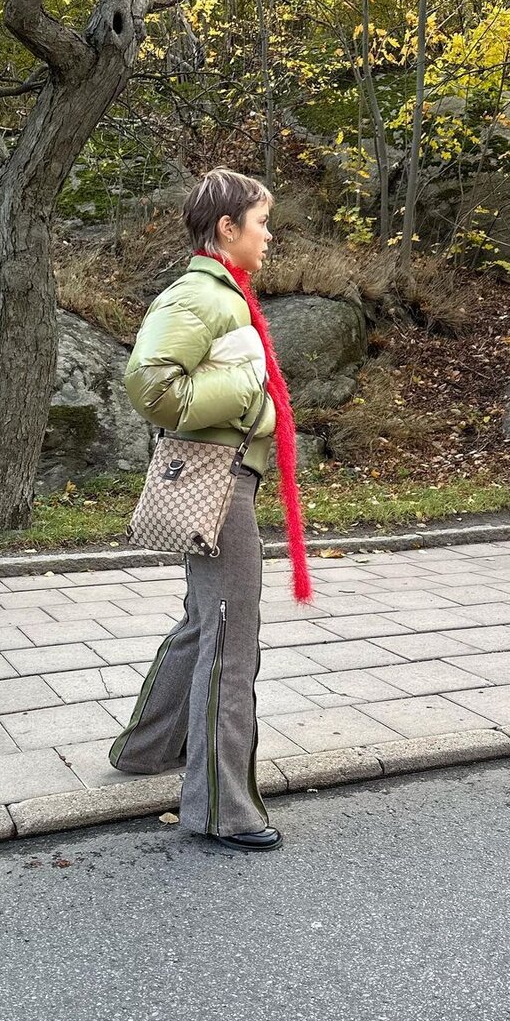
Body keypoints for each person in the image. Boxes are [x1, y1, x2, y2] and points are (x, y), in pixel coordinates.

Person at [108, 167, 312, 852]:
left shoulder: (224, 295)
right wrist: (249, 398)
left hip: (224, 481)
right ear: (228, 229)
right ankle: (222, 809)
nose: (269, 234)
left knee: (205, 623)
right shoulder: (200, 296)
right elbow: (150, 384)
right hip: (219, 485)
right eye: (261, 222)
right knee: (231, 638)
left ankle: (145, 750)